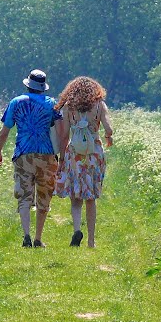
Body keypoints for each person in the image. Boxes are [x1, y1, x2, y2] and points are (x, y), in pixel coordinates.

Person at [0, 69, 63, 248]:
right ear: (43, 87)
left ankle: (26, 235)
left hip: (23, 154)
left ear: (28, 85)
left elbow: (5, 131)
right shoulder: (52, 104)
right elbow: (61, 131)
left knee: (24, 196)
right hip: (47, 155)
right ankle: (38, 238)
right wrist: (63, 156)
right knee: (44, 196)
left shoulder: (16, 102)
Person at [53, 76, 114, 249]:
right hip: (94, 152)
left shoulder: (68, 108)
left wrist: (63, 158)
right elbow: (108, 128)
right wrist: (108, 136)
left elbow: (64, 136)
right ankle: (91, 241)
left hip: (75, 154)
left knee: (76, 195)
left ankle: (77, 229)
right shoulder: (99, 105)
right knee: (91, 197)